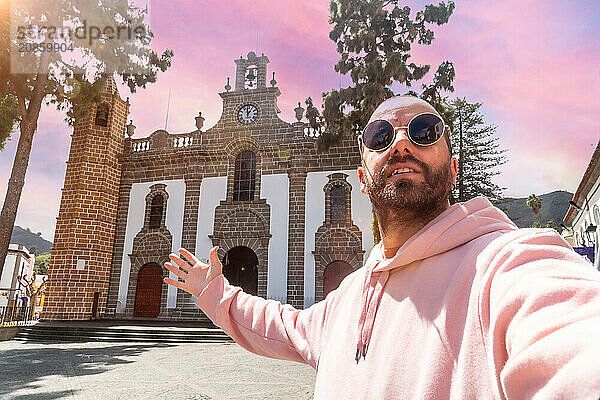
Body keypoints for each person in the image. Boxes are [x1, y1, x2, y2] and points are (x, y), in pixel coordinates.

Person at [163, 96, 600, 399]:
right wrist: (214, 292)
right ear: (362, 176)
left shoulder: (508, 265)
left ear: (452, 170)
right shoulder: (349, 299)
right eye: (379, 136)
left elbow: (572, 334)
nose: (401, 143)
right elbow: (283, 326)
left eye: (425, 131)